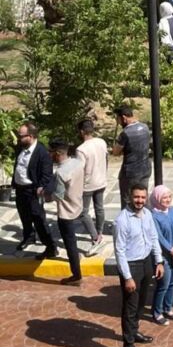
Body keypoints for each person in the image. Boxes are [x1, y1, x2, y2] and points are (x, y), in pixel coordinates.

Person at [113, 182, 164, 347]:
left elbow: (153, 238)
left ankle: (134, 332)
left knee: (141, 302)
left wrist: (159, 261)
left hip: (146, 262)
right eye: (136, 197)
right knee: (130, 306)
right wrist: (127, 277)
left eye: (142, 197)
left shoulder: (148, 215)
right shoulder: (122, 220)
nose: (139, 201)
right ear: (129, 197)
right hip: (131, 265)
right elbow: (119, 251)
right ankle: (128, 346)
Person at [12, 122, 57, 259]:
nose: (18, 139)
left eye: (21, 136)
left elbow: (47, 174)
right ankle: (29, 237)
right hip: (20, 189)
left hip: (33, 191)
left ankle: (50, 247)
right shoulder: (21, 147)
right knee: (24, 215)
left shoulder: (42, 152)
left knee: (38, 219)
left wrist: (41, 187)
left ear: (30, 136)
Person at [46, 140, 86, 285]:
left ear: (57, 154)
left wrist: (44, 195)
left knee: (70, 244)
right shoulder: (77, 163)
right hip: (78, 205)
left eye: (51, 152)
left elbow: (58, 195)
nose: (49, 155)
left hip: (66, 212)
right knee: (73, 241)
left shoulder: (61, 173)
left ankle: (76, 275)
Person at [148, 185, 173, 325]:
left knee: (172, 283)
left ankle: (168, 308)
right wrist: (170, 249)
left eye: (169, 197)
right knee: (163, 284)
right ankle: (157, 312)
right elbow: (158, 236)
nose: (168, 200)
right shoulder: (153, 216)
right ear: (157, 199)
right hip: (163, 256)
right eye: (164, 197)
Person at [76, 118, 108, 255]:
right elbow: (106, 159)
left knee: (83, 212)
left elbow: (79, 169)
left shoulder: (81, 149)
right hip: (101, 180)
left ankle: (95, 237)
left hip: (87, 185)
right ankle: (99, 232)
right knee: (99, 208)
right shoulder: (102, 142)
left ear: (82, 132)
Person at [112, 106, 151, 209]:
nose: (118, 122)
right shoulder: (145, 127)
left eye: (118, 119)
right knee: (143, 197)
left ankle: (127, 222)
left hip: (130, 173)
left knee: (128, 200)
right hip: (145, 169)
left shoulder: (125, 133)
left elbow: (115, 152)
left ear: (124, 118)